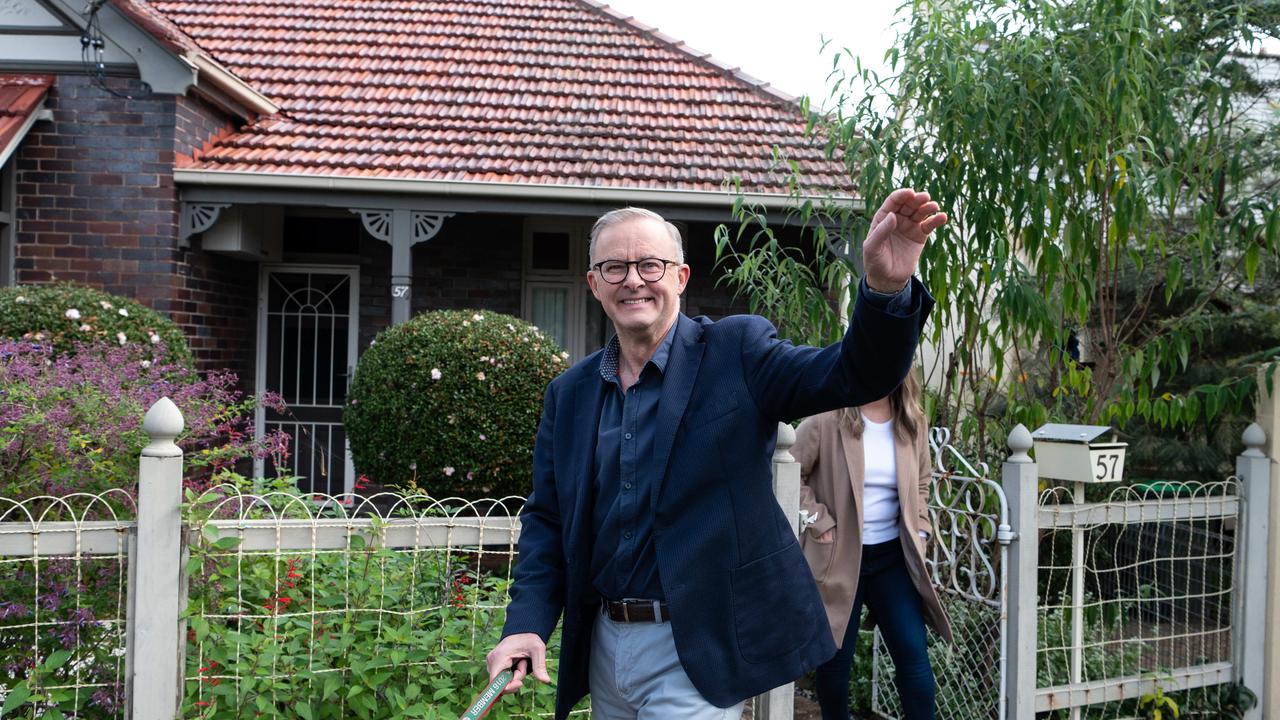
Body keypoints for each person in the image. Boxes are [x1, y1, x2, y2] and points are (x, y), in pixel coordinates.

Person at [485, 189, 947, 720]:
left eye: (650, 264)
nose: (633, 279)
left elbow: (853, 373)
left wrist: (885, 292)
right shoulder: (570, 394)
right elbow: (548, 519)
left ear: (681, 277)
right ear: (594, 284)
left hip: (696, 648)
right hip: (605, 648)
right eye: (614, 267)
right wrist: (526, 622)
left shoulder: (738, 353)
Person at [793, 371, 953, 720]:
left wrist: (921, 530)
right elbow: (790, 469)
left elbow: (922, 484)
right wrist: (819, 521)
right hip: (839, 556)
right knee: (834, 663)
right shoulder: (828, 415)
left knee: (915, 660)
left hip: (893, 558)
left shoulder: (912, 421)